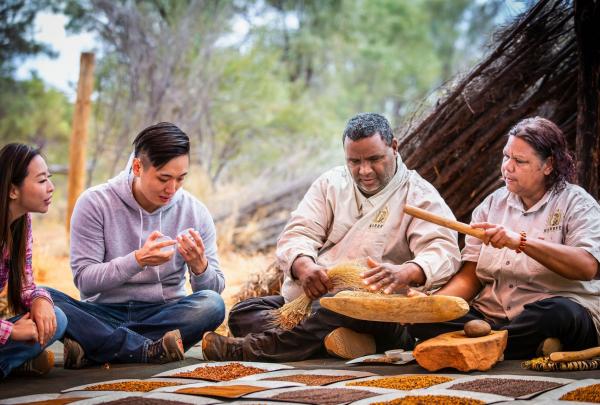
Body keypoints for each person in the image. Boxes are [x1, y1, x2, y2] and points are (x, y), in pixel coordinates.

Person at [201, 112, 461, 362]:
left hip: (378, 312)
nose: (365, 171)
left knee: (339, 311)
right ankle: (344, 343)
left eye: (374, 159)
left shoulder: (418, 194)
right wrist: (305, 267)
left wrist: (407, 272)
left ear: (394, 147)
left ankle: (249, 350)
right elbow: (299, 232)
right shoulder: (330, 184)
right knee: (243, 313)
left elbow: (442, 250)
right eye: (355, 162)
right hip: (316, 303)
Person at [406, 117, 600, 359]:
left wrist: (520, 242)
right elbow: (470, 278)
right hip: (491, 317)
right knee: (422, 318)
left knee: (560, 314)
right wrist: (434, 304)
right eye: (506, 156)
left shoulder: (577, 203)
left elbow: (587, 267)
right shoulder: (491, 205)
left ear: (548, 165)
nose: (507, 167)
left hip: (546, 313)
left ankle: (483, 344)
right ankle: (517, 345)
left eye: (519, 161)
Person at [48, 122, 225, 368]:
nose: (172, 189)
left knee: (212, 305)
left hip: (164, 313)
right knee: (43, 297)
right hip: (103, 313)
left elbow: (213, 291)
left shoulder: (195, 212)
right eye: (164, 178)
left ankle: (97, 345)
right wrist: (137, 261)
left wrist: (200, 267)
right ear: (138, 166)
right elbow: (85, 282)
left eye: (180, 179)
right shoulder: (95, 203)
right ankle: (145, 348)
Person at [0, 143, 67, 378]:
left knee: (56, 317)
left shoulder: (21, 222)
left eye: (49, 178)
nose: (51, 187)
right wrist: (11, 332)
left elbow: (27, 284)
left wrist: (40, 300)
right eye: (41, 181)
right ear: (12, 190)